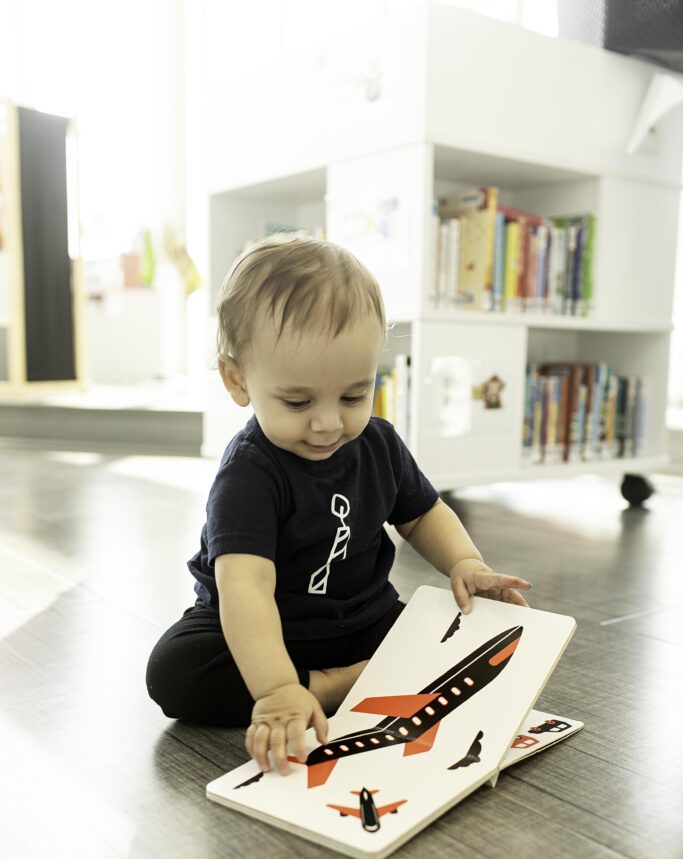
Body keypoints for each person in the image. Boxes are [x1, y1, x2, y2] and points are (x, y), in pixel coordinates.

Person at [146, 235, 531, 777]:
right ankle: (334, 685)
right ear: (238, 380)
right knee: (175, 672)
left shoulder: (378, 443)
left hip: (363, 618)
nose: (329, 423)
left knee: (448, 634)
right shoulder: (249, 474)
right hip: (261, 629)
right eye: (298, 402)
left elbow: (422, 513)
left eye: (354, 395)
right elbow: (245, 590)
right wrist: (278, 690)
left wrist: (466, 563)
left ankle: (363, 670)